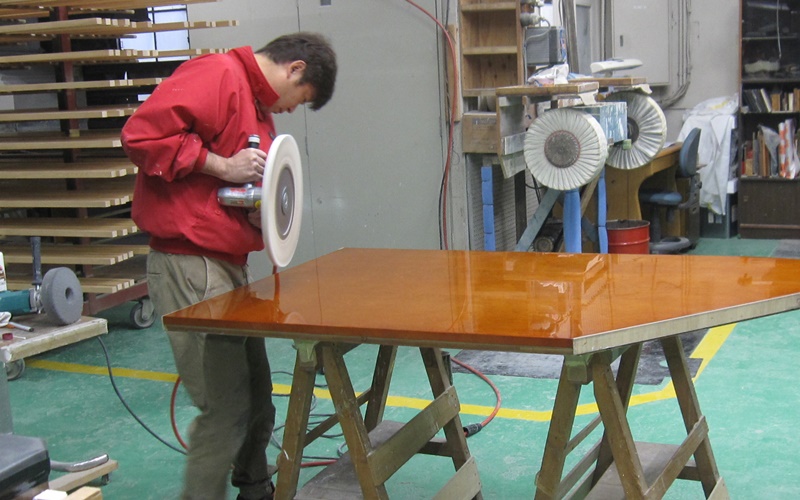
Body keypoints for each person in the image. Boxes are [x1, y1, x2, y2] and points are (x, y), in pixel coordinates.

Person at [121, 32, 337, 500]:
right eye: (301, 98)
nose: (292, 109)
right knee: (224, 406)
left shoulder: (257, 110)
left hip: (228, 266)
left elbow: (249, 189)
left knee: (258, 399)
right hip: (190, 262)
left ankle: (255, 489)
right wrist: (221, 166)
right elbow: (142, 135)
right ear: (295, 68)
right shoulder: (219, 75)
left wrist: (260, 213)